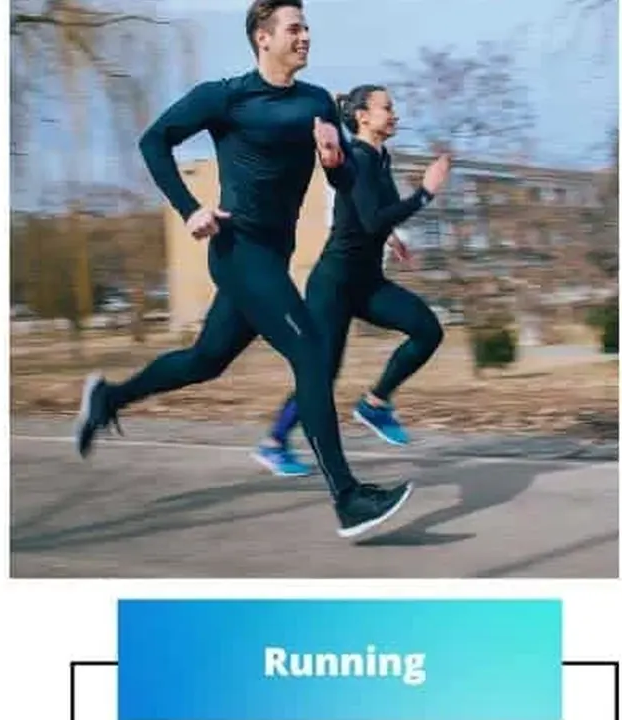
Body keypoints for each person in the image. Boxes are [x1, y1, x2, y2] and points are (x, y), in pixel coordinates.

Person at [73, 0, 412, 539]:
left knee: (205, 361)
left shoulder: (316, 102)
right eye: (294, 28)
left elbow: (346, 183)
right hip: (237, 250)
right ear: (263, 37)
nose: (305, 36)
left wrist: (338, 166)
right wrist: (190, 208)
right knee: (312, 354)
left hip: (271, 257)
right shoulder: (225, 97)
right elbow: (153, 142)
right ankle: (348, 498)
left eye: (307, 28)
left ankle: (108, 398)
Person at [254, 85, 450, 477]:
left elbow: (379, 214)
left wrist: (391, 238)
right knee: (323, 372)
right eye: (387, 108)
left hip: (367, 282)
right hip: (334, 284)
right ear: (363, 116)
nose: (394, 114)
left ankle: (375, 404)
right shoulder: (357, 158)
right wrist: (425, 192)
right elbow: (372, 218)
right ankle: (274, 442)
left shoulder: (379, 157)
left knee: (427, 330)